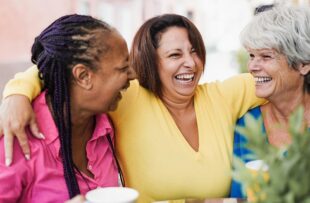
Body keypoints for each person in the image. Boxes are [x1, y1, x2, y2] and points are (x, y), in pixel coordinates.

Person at [0, 14, 264, 202]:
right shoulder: (123, 101)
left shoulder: (102, 125)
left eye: (194, 51)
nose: (191, 63)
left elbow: (274, 77)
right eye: (174, 54)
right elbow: (55, 67)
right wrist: (17, 92)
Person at [0, 14, 134, 202]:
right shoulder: (16, 138)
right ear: (83, 76)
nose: (133, 75)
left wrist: (17, 90)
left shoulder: (106, 123)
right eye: (122, 69)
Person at [230, 5, 310, 197]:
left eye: (266, 56)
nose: (252, 66)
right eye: (251, 56)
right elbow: (239, 198)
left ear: (303, 64)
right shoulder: (245, 125)